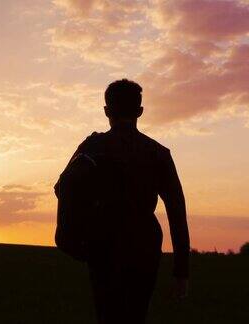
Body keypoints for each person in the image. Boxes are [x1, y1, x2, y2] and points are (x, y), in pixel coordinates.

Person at [56, 79, 190, 323]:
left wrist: (72, 233)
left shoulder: (93, 146)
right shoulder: (158, 152)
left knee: (107, 314)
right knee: (137, 315)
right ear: (140, 111)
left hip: (102, 243)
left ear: (107, 111)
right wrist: (181, 271)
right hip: (145, 245)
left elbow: (62, 186)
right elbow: (176, 211)